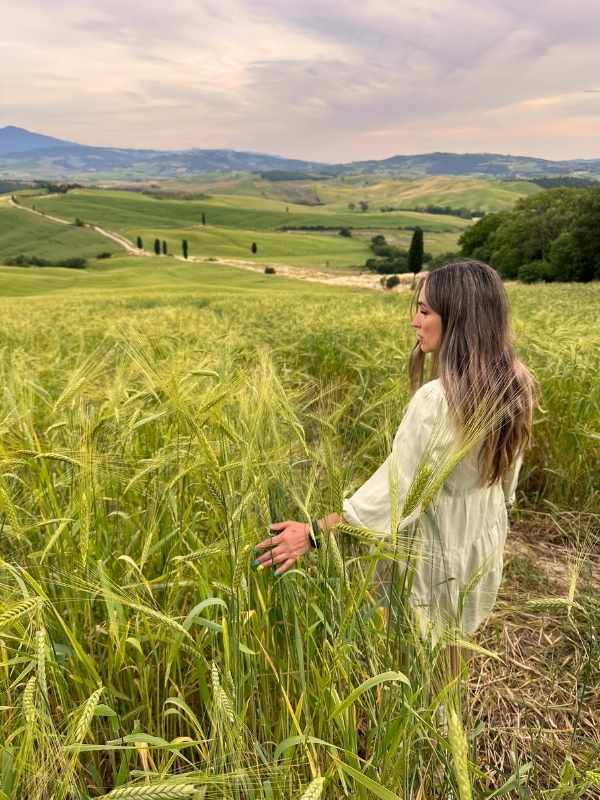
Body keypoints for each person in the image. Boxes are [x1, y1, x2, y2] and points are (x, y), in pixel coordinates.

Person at [254, 260, 535, 639]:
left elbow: (394, 496)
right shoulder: (515, 383)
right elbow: (505, 484)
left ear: (458, 319)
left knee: (420, 671)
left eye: (424, 311)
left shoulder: (437, 401)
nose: (414, 322)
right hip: (480, 544)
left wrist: (314, 533)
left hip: (434, 561)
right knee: (453, 654)